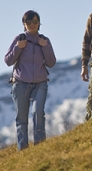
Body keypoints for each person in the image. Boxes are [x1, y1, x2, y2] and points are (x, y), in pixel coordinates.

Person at [4, 10, 56, 150]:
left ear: (39, 23)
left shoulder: (45, 40)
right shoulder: (19, 39)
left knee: (38, 112)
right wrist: (18, 48)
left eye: (35, 22)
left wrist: (45, 46)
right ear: (24, 24)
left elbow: (51, 63)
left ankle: (40, 147)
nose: (32, 25)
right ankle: (23, 150)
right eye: (29, 22)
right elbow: (8, 61)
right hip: (20, 83)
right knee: (21, 119)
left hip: (40, 83)